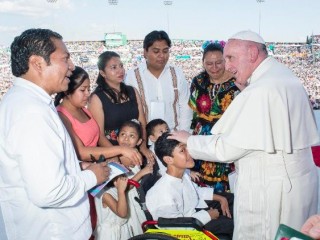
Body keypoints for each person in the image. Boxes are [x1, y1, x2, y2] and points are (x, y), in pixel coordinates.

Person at [169, 30, 320, 240]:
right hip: (295, 181)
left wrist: (189, 140)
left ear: (251, 53)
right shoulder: (281, 75)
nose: (227, 65)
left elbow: (227, 149)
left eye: (230, 57)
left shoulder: (260, 90)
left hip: (271, 186)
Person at [0, 28, 110, 239]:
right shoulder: (31, 112)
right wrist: (91, 176)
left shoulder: (27, 102)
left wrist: (77, 168)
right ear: (37, 64)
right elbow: (48, 192)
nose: (72, 67)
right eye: (65, 59)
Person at [54, 66, 142, 234]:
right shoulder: (62, 115)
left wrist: (116, 156)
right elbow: (81, 152)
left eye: (88, 88)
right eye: (83, 90)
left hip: (102, 169)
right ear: (67, 91)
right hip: (86, 177)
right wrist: (121, 149)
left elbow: (99, 137)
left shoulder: (83, 109)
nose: (88, 94)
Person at [146, 133, 234, 239]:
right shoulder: (162, 193)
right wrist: (208, 215)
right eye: (183, 150)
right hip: (188, 230)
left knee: (232, 200)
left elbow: (195, 191)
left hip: (194, 215)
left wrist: (221, 198)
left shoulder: (183, 174)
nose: (190, 153)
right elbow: (175, 229)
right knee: (233, 225)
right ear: (169, 159)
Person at [189, 41, 240, 192]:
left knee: (227, 181)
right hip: (201, 138)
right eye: (209, 63)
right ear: (203, 63)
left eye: (219, 62)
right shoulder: (198, 81)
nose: (214, 67)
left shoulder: (237, 82)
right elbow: (193, 112)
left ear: (226, 60)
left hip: (227, 137)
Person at [88, 51, 154, 162]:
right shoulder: (96, 98)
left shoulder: (132, 91)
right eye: (114, 67)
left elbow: (142, 122)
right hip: (111, 153)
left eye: (121, 66)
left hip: (136, 148)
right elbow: (100, 136)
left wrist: (143, 148)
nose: (120, 70)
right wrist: (117, 156)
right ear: (103, 73)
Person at [125, 30, 192, 131]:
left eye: (165, 51)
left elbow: (185, 107)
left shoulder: (177, 73)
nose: (161, 55)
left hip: (173, 136)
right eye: (156, 51)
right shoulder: (132, 76)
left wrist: (181, 134)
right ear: (145, 52)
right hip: (143, 139)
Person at [146, 118, 201, 182]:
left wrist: (189, 172)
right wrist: (188, 173)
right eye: (161, 131)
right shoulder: (154, 152)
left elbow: (178, 163)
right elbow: (165, 170)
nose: (165, 133)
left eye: (167, 130)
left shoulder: (169, 145)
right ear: (152, 138)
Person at [94, 175, 132, 240]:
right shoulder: (105, 194)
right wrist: (121, 191)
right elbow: (122, 213)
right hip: (110, 234)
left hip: (122, 230)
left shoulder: (114, 189)